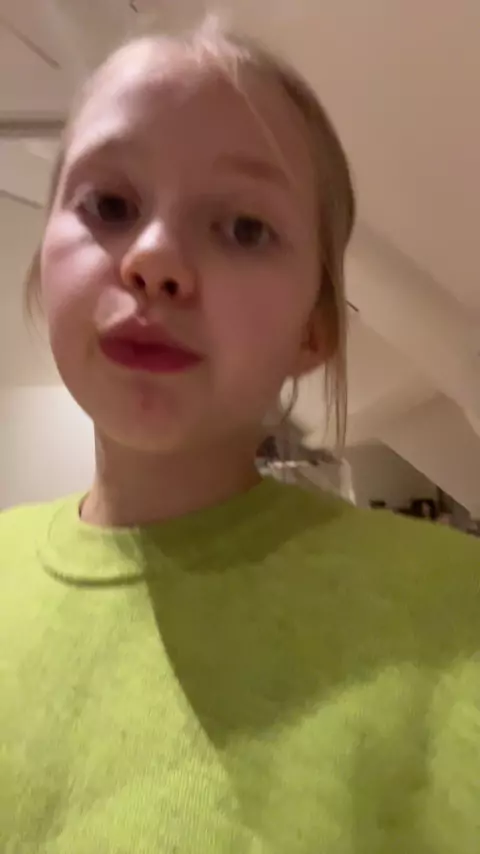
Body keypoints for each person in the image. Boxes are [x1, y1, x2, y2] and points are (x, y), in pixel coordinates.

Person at [2, 16, 479, 853]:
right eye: (110, 206)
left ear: (314, 329)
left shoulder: (457, 614)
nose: (154, 259)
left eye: (245, 228)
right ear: (43, 265)